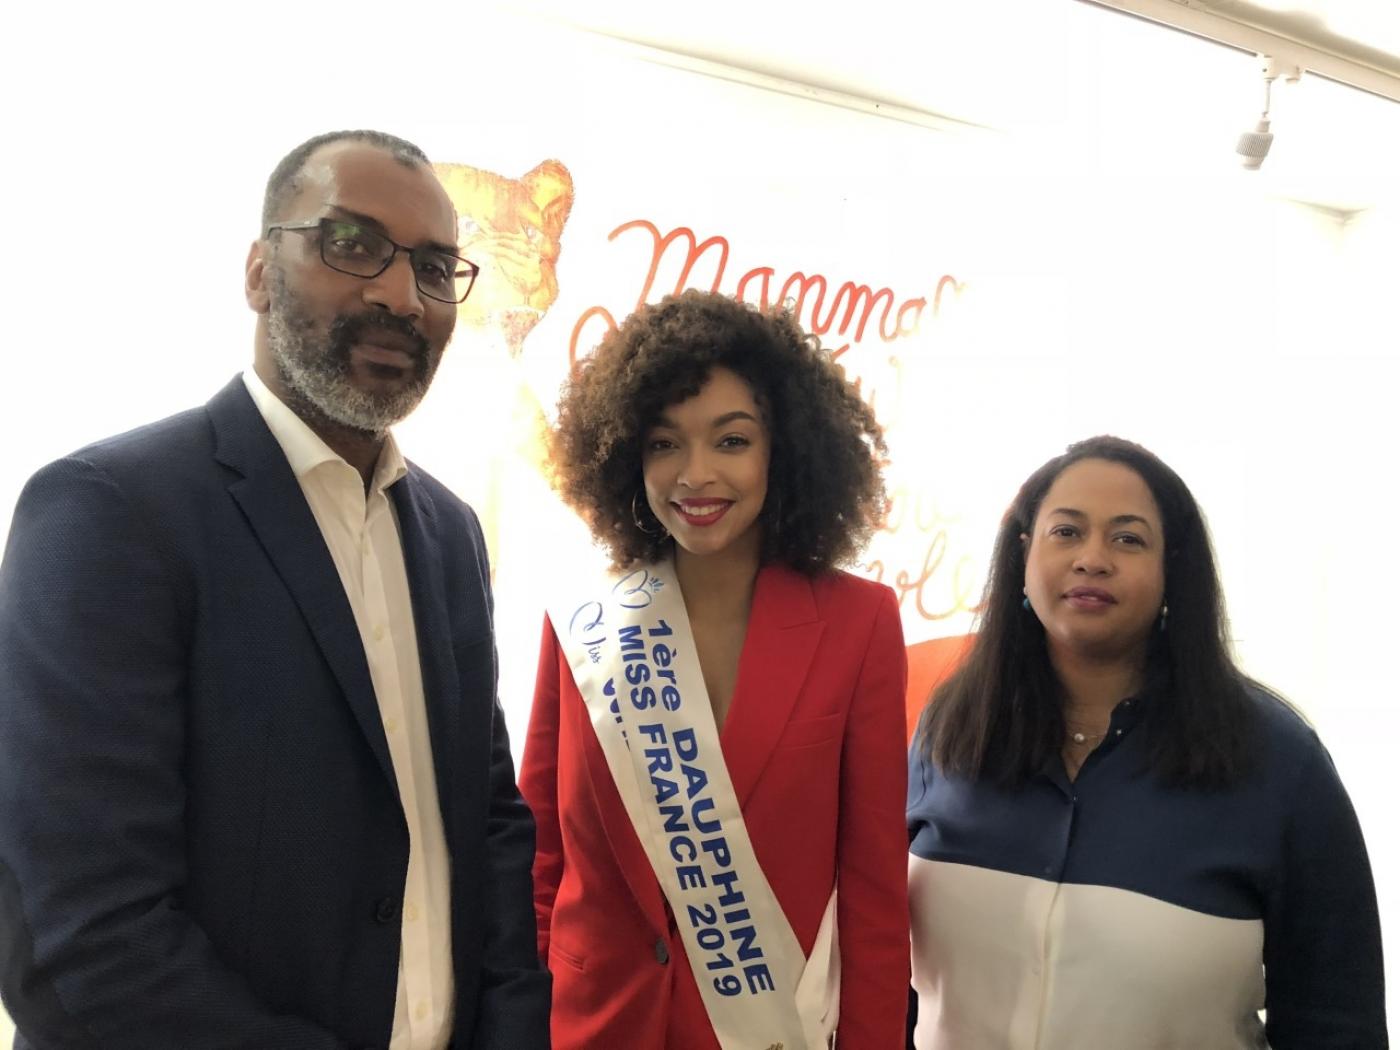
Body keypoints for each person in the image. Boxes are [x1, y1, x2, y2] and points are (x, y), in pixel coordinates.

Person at [0, 130, 549, 1050]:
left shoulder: (450, 538)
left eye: (434, 266)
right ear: (260, 271)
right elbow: (85, 932)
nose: (399, 295)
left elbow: (487, 824)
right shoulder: (111, 512)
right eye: (352, 244)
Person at [521, 290, 911, 1048]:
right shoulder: (581, 628)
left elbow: (873, 895)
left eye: (731, 441)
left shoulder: (859, 624)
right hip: (592, 1029)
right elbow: (539, 863)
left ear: (784, 448)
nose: (694, 475)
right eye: (665, 444)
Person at [906, 435, 1387, 1049]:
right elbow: (888, 978)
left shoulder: (1276, 759)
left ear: (1173, 570)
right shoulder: (950, 731)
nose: (1092, 559)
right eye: (1066, 532)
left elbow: (1336, 1019)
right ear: (1023, 555)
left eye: (1128, 538)